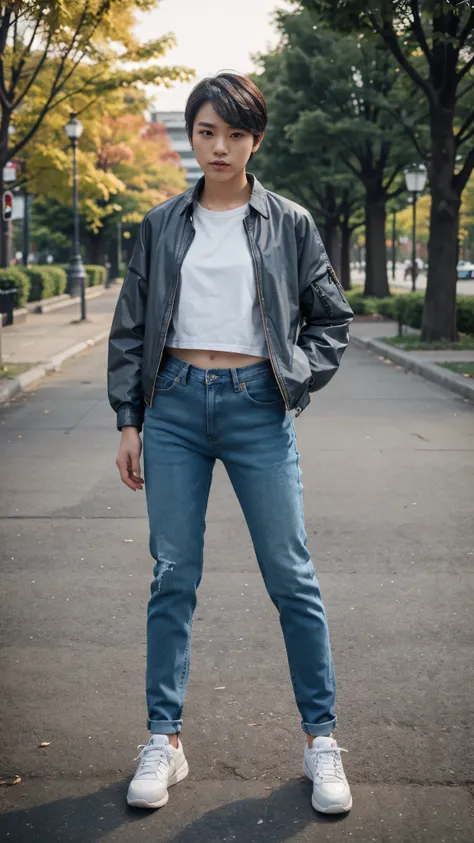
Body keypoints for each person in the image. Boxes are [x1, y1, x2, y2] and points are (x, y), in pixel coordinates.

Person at [107, 72, 354, 816]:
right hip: (175, 405)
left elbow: (329, 317)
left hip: (256, 406)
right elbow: (130, 326)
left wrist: (292, 377)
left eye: (235, 134)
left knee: (292, 576)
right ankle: (164, 739)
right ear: (193, 134)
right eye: (207, 131)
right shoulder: (161, 224)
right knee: (173, 573)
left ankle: (322, 741)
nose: (219, 146)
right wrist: (129, 418)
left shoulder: (290, 221)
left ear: (256, 140)